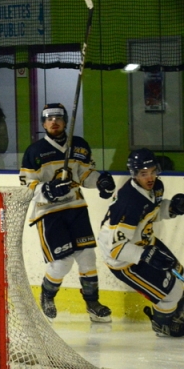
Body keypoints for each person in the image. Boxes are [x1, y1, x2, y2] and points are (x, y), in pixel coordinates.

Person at [20, 103, 116, 322]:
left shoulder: (79, 146)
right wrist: (47, 190)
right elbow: (27, 183)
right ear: (43, 123)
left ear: (65, 121)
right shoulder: (34, 151)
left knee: (88, 257)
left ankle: (92, 303)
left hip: (75, 208)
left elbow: (85, 174)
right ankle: (47, 294)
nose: (53, 121)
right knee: (62, 262)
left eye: (58, 117)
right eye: (49, 118)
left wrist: (100, 180)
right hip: (48, 211)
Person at [98, 149, 184, 336]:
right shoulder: (130, 203)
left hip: (144, 243)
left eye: (153, 171)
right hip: (123, 260)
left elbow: (150, 213)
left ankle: (176, 313)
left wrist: (172, 208)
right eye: (144, 174)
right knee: (172, 293)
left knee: (180, 275)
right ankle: (163, 326)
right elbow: (116, 249)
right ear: (134, 174)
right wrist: (146, 255)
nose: (150, 177)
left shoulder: (155, 188)